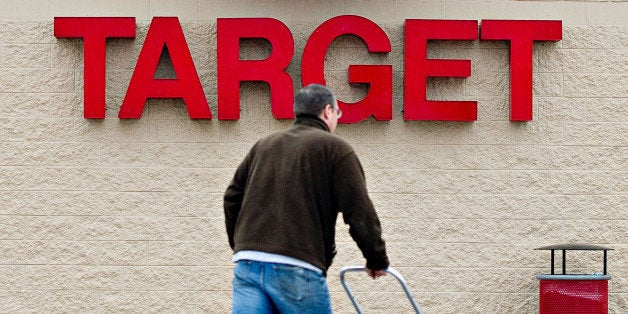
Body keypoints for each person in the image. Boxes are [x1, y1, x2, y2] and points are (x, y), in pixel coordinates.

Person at [224, 84, 389, 313]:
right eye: (338, 113)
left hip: (248, 264)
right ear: (328, 111)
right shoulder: (335, 149)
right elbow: (359, 211)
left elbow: (232, 197)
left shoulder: (264, 146)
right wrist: (376, 258)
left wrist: (243, 243)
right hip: (297, 265)